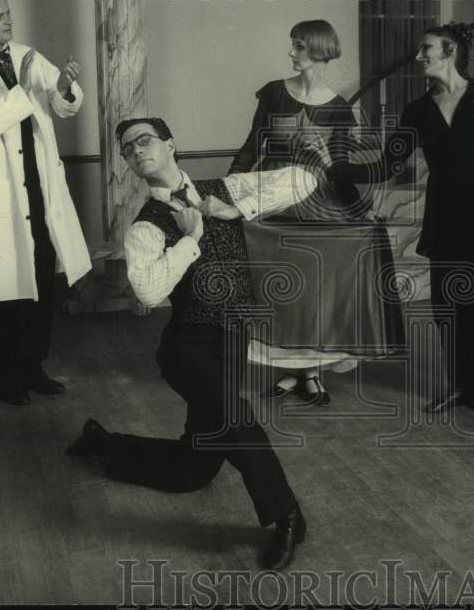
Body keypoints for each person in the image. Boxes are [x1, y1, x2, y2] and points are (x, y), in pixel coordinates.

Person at [66, 117, 315, 570]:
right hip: (187, 346)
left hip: (234, 339)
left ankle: (106, 444)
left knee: (192, 471)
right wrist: (192, 238)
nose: (137, 150)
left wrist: (232, 210)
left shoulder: (225, 188)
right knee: (236, 418)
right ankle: (288, 516)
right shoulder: (146, 225)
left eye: (145, 140)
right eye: (128, 148)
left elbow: (304, 179)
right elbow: (147, 292)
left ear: (170, 144)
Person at [328, 23, 474, 420]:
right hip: (444, 219)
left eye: (426, 49)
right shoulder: (417, 110)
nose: (419, 56)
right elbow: (389, 164)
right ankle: (458, 386)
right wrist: (339, 170)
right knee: (445, 309)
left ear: (450, 51)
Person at [228, 19, 404, 405]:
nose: (291, 53)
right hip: (273, 202)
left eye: (299, 47)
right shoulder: (275, 93)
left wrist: (362, 210)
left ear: (319, 51)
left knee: (314, 290)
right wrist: (227, 191)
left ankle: (308, 373)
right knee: (282, 291)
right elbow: (250, 148)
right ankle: (297, 373)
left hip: (320, 206)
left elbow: (339, 169)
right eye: (292, 45)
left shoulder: (340, 110)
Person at [0, 0, 91, 406]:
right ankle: (6, 376)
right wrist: (28, 92)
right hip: (2, 190)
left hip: (40, 181)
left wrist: (64, 85)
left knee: (42, 281)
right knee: (7, 291)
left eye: (9, 13)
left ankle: (35, 367)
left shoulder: (27, 53)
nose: (10, 21)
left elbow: (65, 104)